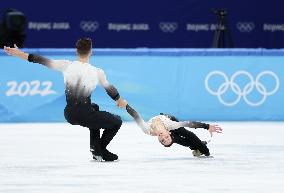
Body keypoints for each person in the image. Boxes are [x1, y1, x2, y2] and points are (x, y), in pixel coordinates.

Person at [4, 38, 127, 162]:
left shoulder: (66, 65)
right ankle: (101, 149)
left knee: (94, 107)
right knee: (117, 122)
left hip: (69, 114)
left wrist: (18, 53)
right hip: (85, 115)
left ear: (76, 51)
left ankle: (95, 148)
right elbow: (109, 89)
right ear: (91, 51)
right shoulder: (97, 72)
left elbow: (39, 60)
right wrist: (119, 100)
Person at [125, 104, 222, 157]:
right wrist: (207, 153)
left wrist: (125, 105)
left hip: (171, 119)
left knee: (186, 134)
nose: (163, 137)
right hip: (170, 125)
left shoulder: (147, 130)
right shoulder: (170, 126)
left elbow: (135, 115)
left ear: (158, 139)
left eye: (163, 139)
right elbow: (190, 124)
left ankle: (199, 146)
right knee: (183, 140)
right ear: (169, 133)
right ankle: (199, 146)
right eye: (166, 138)